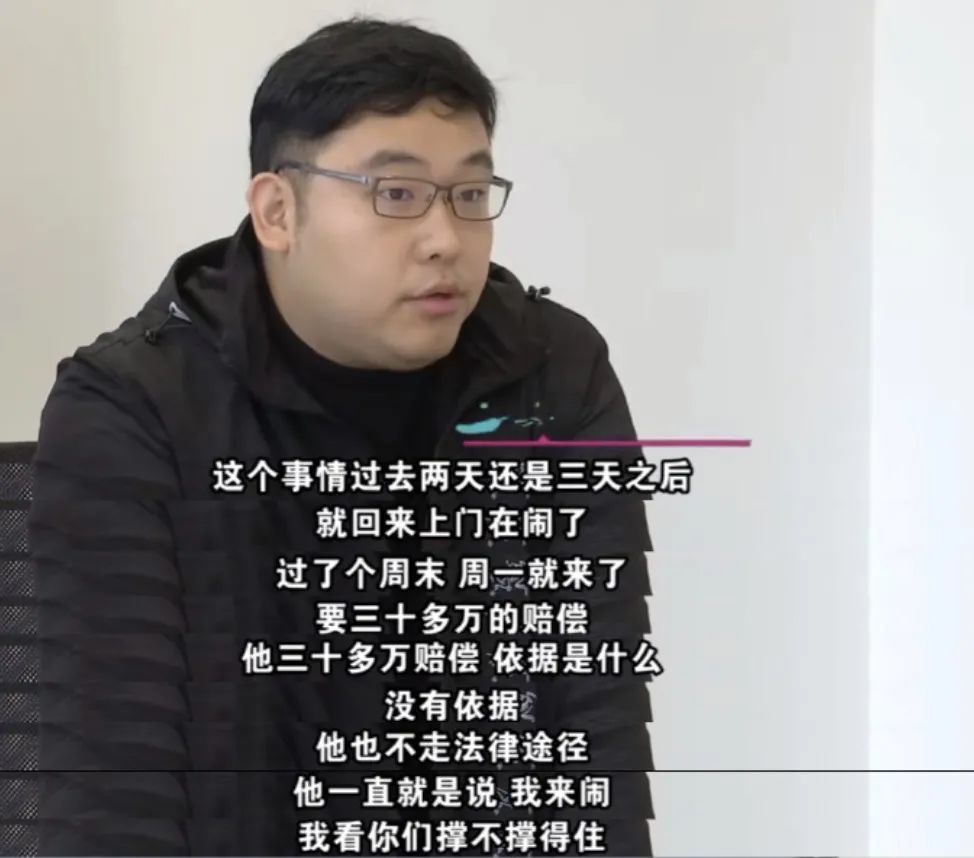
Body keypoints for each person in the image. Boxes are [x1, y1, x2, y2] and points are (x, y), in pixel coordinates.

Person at [29, 16, 655, 857]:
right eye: (396, 194)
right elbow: (115, 799)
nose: (445, 240)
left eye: (470, 196)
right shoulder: (135, 408)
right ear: (278, 211)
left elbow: (594, 742)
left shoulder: (554, 377)